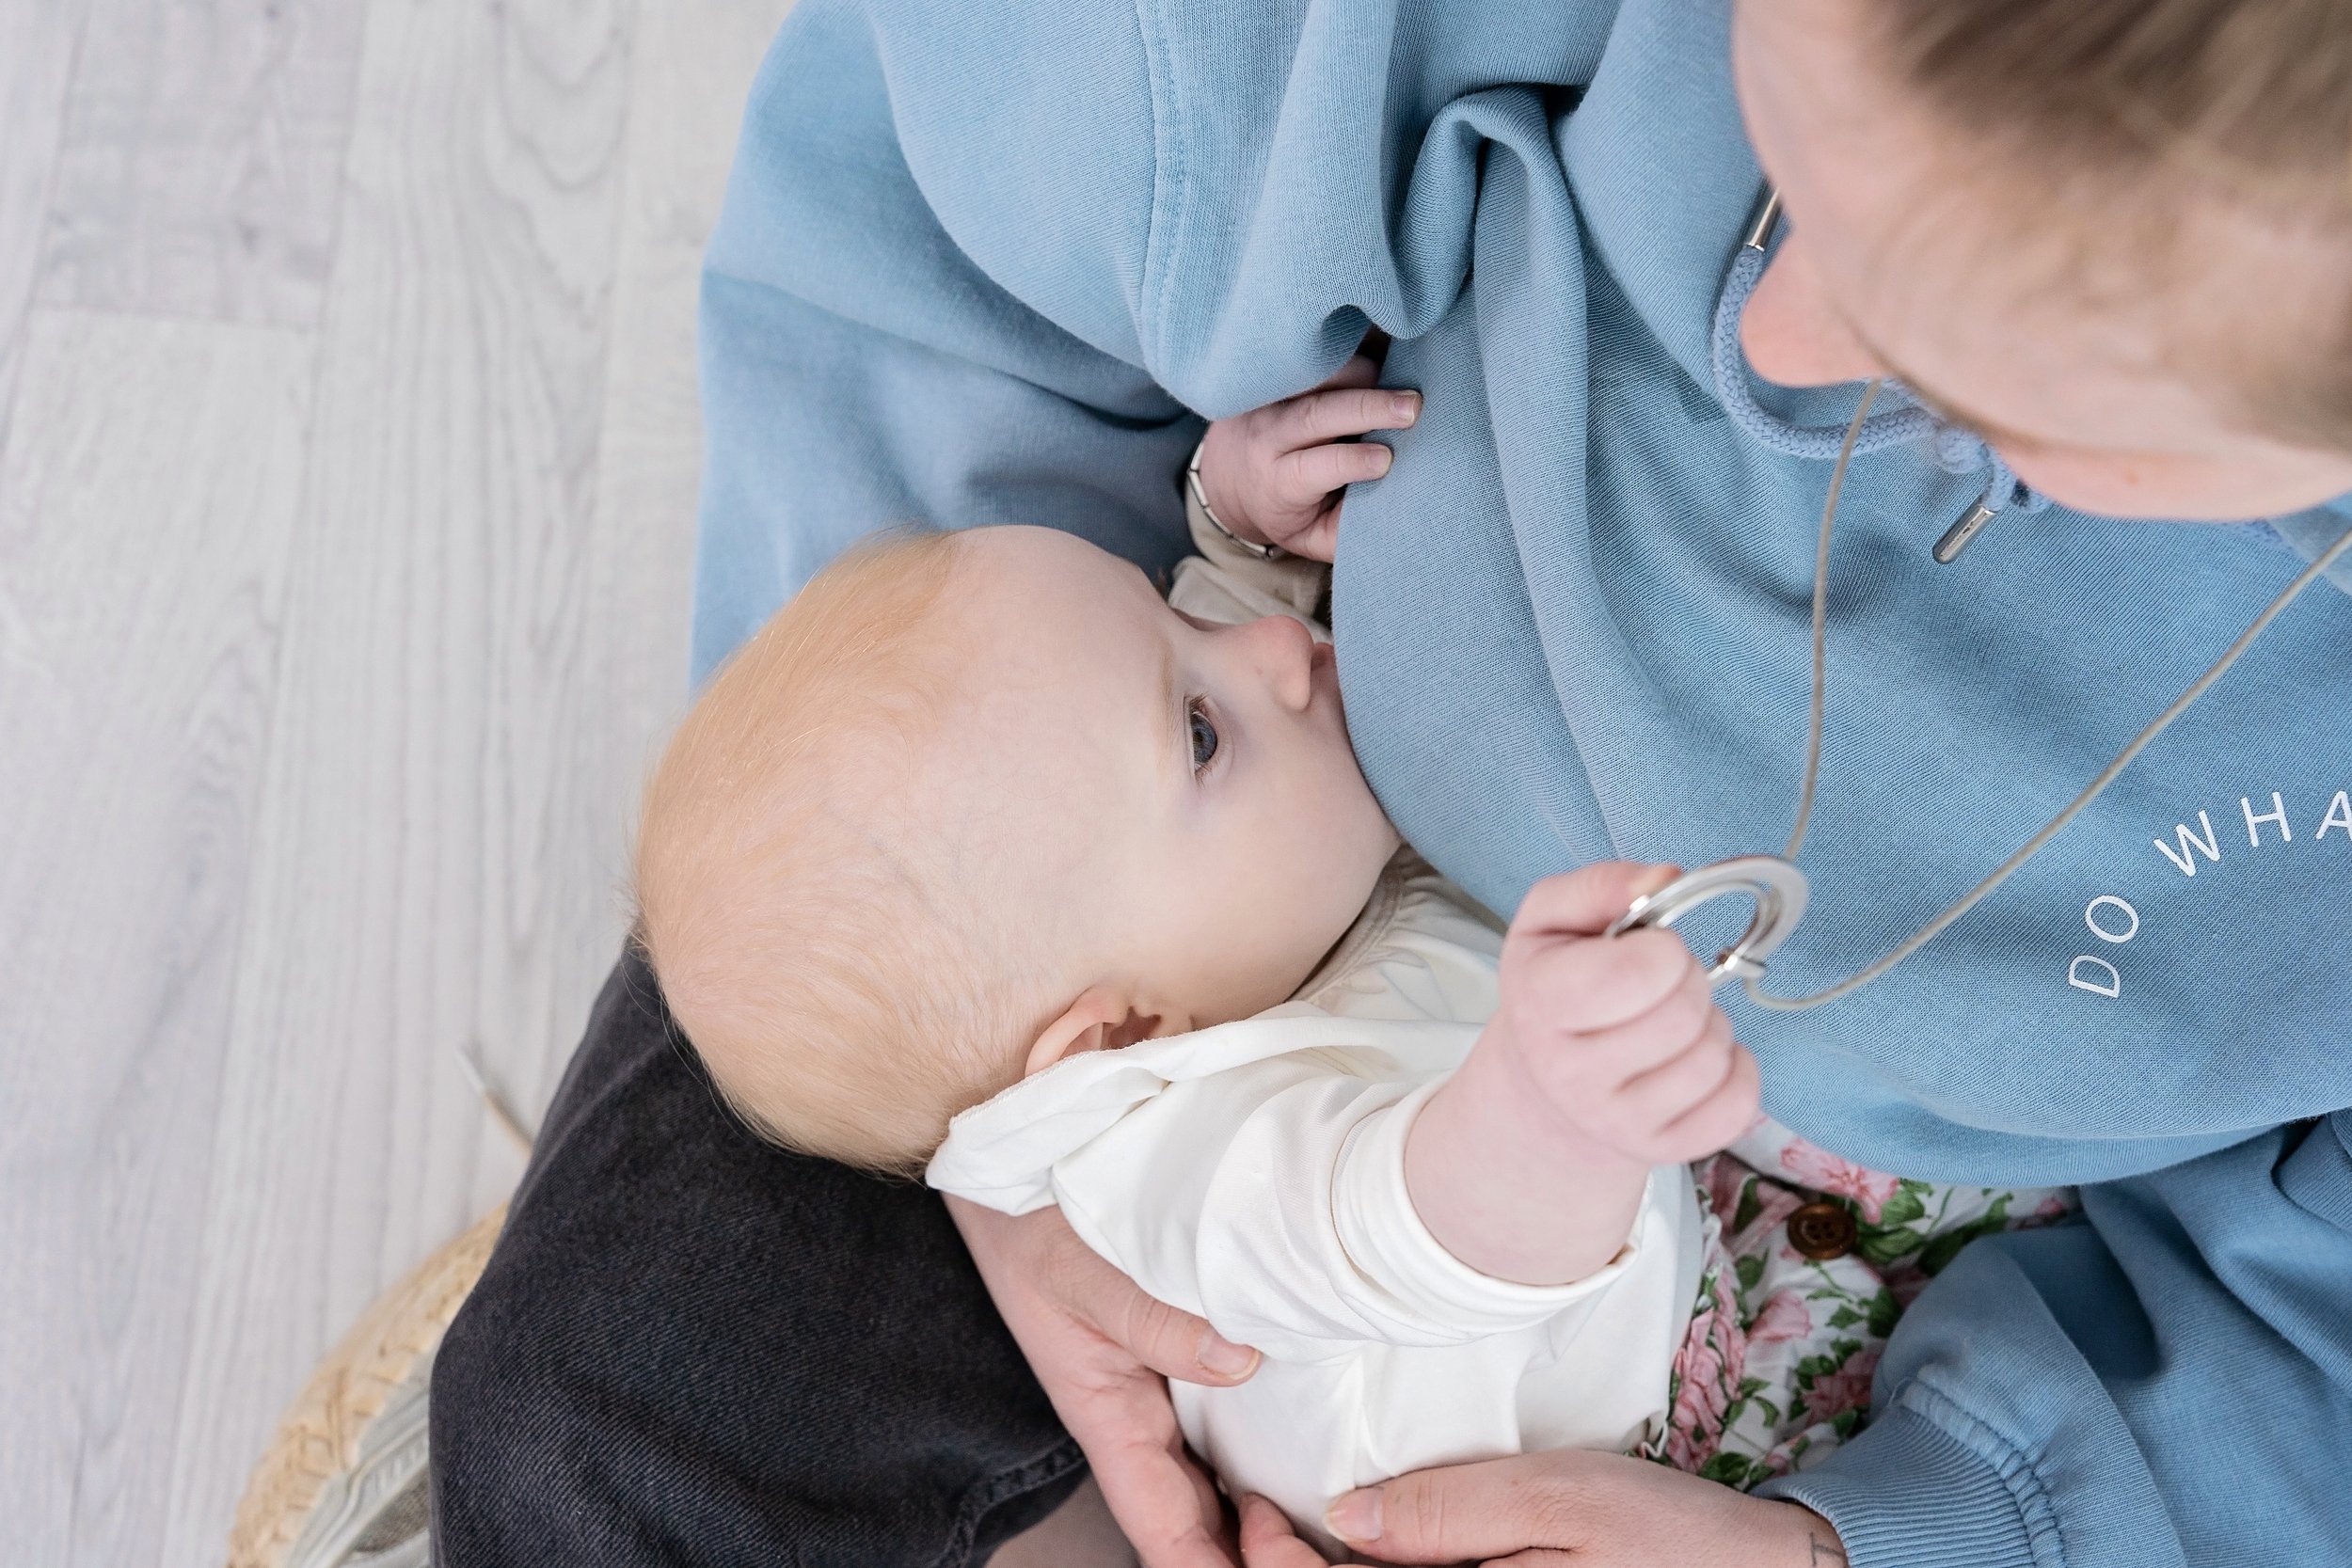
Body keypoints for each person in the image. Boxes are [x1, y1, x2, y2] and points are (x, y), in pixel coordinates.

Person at [428, 1, 2352, 1564]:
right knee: (595, 1415)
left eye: (1978, 382)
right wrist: (990, 1138)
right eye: (1778, 174)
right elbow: (949, 672)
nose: (1759, 351)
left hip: (1945, 1340)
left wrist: (1905, 1541)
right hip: (1041, 909)